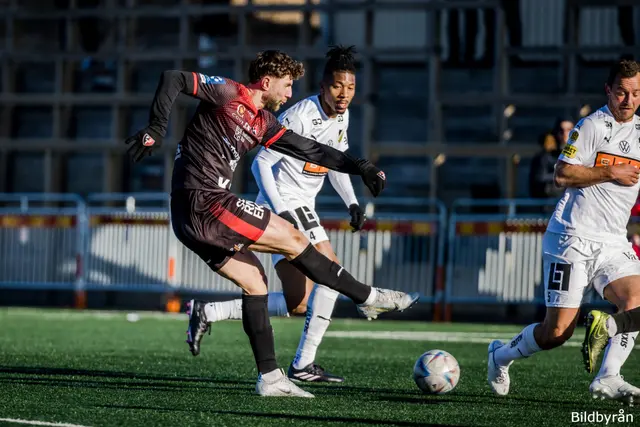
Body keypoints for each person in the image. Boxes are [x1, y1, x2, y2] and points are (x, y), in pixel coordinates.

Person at [124, 50, 419, 397]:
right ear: (267, 82)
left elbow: (313, 151)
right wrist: (157, 128)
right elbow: (173, 77)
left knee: (256, 283)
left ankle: (271, 377)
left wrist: (361, 166)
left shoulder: (264, 123)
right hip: (204, 202)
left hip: (193, 214)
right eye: (287, 85)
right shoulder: (228, 92)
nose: (290, 93)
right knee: (293, 239)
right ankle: (368, 296)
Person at [187, 46, 367, 384]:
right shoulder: (298, 114)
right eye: (338, 86)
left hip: (302, 205)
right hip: (281, 201)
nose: (344, 95)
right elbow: (261, 163)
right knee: (330, 264)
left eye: (351, 87)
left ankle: (210, 310)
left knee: (299, 303)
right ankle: (304, 363)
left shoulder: (342, 116)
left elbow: (335, 160)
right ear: (323, 86)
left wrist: (352, 202)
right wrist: (282, 211)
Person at [487, 59, 640, 404]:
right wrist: (610, 171)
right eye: (621, 92)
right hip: (572, 237)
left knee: (635, 301)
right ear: (608, 90)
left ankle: (608, 377)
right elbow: (562, 175)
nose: (628, 100)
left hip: (614, 241)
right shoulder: (591, 126)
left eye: (635, 93)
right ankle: (500, 355)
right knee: (557, 332)